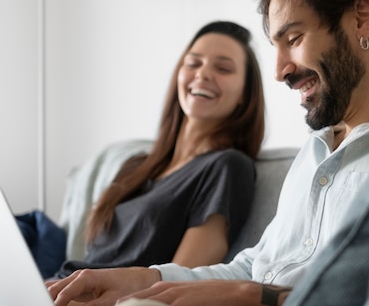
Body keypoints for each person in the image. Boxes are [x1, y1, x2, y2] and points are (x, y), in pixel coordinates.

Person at [47, 0, 369, 306]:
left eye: (294, 38)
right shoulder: (316, 150)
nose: (279, 71)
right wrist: (143, 279)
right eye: (276, 46)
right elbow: (254, 267)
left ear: (361, 19)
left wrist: (258, 297)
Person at [55, 20, 266, 277]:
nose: (203, 74)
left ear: (245, 93)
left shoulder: (228, 167)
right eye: (193, 63)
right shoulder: (135, 166)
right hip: (61, 286)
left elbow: (179, 281)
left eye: (223, 68)